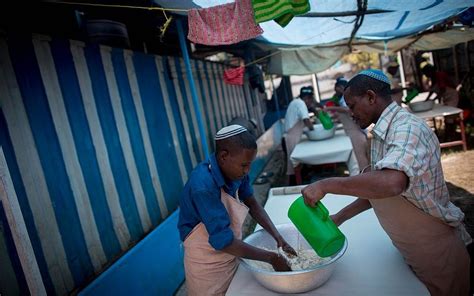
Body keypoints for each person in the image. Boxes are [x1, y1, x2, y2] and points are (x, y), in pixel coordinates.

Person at [302, 69, 471, 296]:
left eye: (352, 106)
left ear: (371, 97)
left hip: (435, 251)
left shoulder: (407, 129)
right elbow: (378, 190)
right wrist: (339, 217)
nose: (350, 113)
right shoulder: (382, 133)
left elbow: (392, 183)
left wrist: (326, 185)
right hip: (410, 248)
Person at [178, 125, 296, 295]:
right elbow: (223, 241)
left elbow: (252, 204)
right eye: (244, 165)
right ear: (223, 156)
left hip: (231, 252)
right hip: (206, 264)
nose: (247, 171)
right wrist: (272, 258)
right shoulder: (203, 186)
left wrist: (278, 238)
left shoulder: (237, 171)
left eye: (250, 164)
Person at [324, 77, 370, 170]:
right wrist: (335, 118)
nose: (335, 92)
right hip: (352, 134)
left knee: (361, 161)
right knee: (358, 160)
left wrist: (330, 108)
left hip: (357, 134)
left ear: (341, 87)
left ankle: (365, 178)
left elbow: (348, 110)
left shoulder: (349, 98)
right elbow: (346, 115)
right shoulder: (342, 99)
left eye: (336, 89)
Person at [283, 86, 315, 183]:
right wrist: (313, 130)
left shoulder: (296, 102)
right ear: (306, 98)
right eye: (310, 100)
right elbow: (306, 120)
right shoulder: (301, 103)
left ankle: (296, 182)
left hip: (291, 137)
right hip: (291, 138)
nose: (310, 103)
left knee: (293, 164)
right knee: (293, 165)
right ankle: (293, 186)